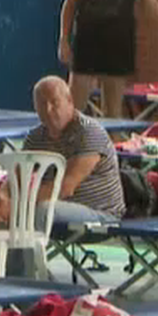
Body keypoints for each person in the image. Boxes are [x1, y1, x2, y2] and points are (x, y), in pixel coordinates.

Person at [20, 75, 125, 225]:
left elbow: (65, 187)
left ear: (69, 101)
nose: (48, 110)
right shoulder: (35, 137)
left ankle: (29, 241)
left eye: (54, 103)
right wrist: (3, 197)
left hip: (100, 213)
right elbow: (16, 176)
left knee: (43, 209)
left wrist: (19, 202)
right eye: (42, 104)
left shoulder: (89, 132)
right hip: (55, 204)